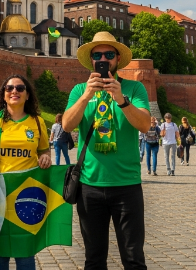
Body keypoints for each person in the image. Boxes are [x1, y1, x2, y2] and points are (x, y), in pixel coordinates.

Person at [62, 31, 151, 270]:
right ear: (91, 61)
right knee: (94, 259)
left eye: (109, 54)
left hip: (127, 185)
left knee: (133, 259)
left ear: (118, 59)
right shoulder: (80, 90)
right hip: (90, 186)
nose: (103, 59)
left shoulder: (134, 88)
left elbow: (144, 124)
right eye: (98, 55)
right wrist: (87, 95)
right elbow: (67, 125)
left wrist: (121, 98)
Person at [0, 74, 51, 270]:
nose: (14, 91)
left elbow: (44, 151)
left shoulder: (38, 122)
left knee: (25, 253)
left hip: (26, 194)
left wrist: (46, 157)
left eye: (20, 88)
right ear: (3, 94)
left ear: (28, 95)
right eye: (9, 88)